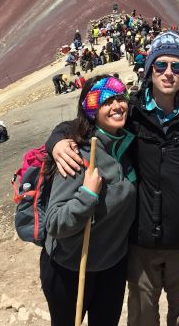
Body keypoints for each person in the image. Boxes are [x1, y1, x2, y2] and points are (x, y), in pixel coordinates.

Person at [49, 31, 179, 326]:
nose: (169, 73)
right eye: (160, 65)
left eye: (177, 66)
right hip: (139, 245)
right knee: (141, 317)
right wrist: (57, 141)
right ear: (149, 69)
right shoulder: (130, 110)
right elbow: (84, 121)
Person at [42, 75, 137, 326]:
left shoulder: (127, 144)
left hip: (113, 267)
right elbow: (54, 223)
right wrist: (87, 196)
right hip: (70, 268)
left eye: (120, 98)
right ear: (92, 110)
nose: (117, 105)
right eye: (106, 102)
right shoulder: (77, 154)